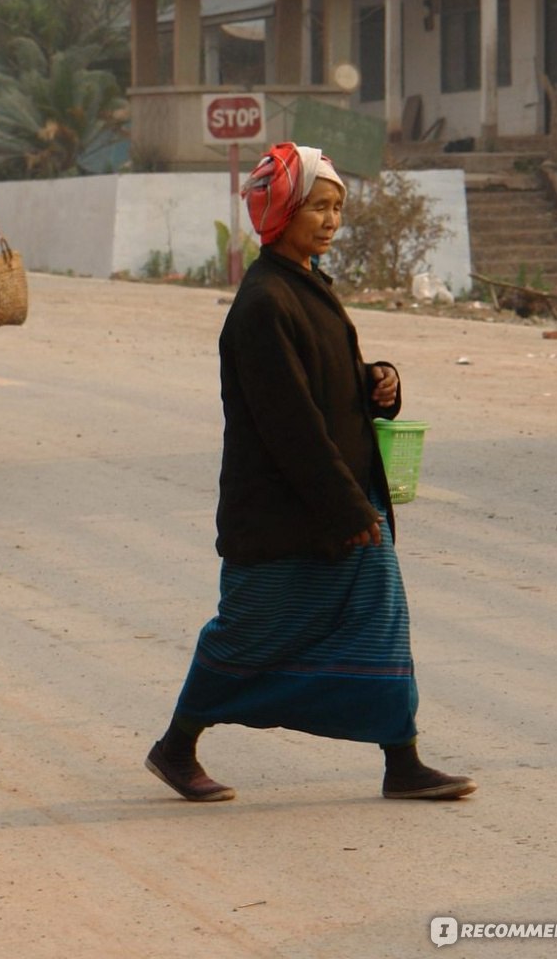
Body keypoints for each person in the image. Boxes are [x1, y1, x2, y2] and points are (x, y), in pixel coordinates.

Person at [145, 142, 475, 804]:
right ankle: (175, 747)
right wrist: (348, 511)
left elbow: (323, 385)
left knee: (380, 625)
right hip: (284, 515)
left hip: (340, 503)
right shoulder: (263, 303)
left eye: (334, 209)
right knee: (249, 633)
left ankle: (400, 760)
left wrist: (374, 381)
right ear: (280, 212)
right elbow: (288, 423)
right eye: (315, 207)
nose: (329, 221)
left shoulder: (306, 284)